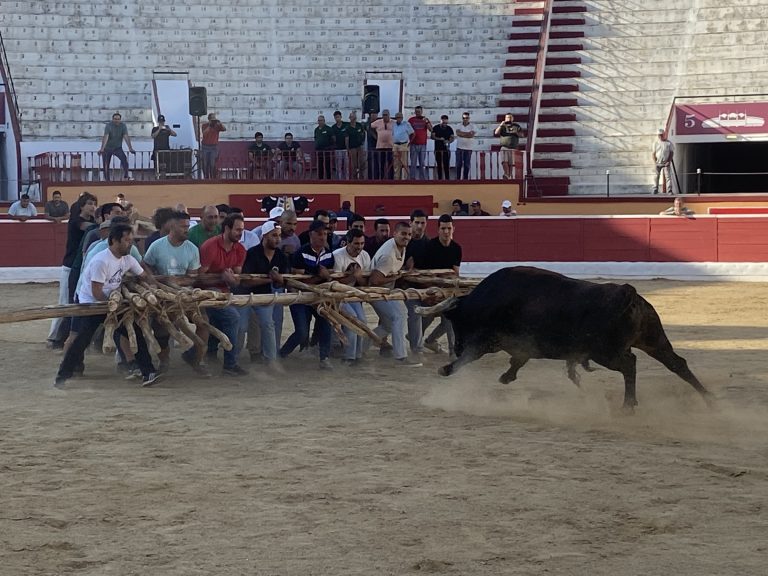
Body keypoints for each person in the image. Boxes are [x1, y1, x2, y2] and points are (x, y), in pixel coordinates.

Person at [54, 223, 161, 388]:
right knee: (82, 340)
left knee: (136, 332)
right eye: (126, 240)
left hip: (113, 302)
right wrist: (114, 307)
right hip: (93, 304)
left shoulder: (128, 259)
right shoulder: (101, 261)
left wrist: (154, 287)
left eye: (131, 240)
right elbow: (96, 291)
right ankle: (62, 375)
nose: (130, 243)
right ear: (114, 241)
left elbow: (144, 275)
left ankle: (149, 372)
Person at [143, 211, 210, 376]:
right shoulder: (157, 246)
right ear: (172, 227)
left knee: (203, 323)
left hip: (185, 294)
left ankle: (196, 359)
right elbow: (145, 267)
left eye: (188, 226)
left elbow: (192, 277)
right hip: (162, 296)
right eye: (183, 226)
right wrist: (156, 280)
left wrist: (179, 282)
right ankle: (164, 362)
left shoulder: (192, 249)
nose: (187, 229)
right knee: (161, 327)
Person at [280, 220, 335, 369]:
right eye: (319, 234)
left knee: (326, 323)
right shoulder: (300, 253)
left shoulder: (329, 254)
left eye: (324, 234)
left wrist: (325, 277)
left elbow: (329, 276)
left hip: (318, 297)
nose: (323, 237)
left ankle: (324, 358)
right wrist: (321, 275)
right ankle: (282, 354)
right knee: (302, 332)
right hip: (300, 296)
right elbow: (299, 280)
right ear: (311, 234)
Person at [199, 213, 249, 376]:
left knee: (223, 320)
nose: (240, 233)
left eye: (242, 230)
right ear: (227, 228)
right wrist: (222, 277)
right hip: (206, 292)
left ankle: (206, 354)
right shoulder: (210, 246)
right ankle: (230, 363)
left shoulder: (240, 249)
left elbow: (237, 279)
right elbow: (199, 278)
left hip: (224, 292)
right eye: (237, 230)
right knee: (232, 318)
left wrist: (231, 280)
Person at [235, 221, 288, 370]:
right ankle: (233, 359)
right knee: (241, 327)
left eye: (279, 236)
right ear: (264, 236)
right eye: (274, 235)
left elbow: (280, 283)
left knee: (268, 324)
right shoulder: (252, 253)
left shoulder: (281, 256)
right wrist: (271, 279)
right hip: (245, 295)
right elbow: (245, 282)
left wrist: (278, 281)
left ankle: (271, 360)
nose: (277, 239)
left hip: (264, 294)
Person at [48, 192, 97, 349]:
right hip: (70, 267)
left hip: (84, 268)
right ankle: (55, 339)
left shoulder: (93, 222)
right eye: (89, 203)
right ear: (82, 206)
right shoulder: (76, 220)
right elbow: (87, 228)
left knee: (80, 302)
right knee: (65, 303)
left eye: (94, 204)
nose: (93, 206)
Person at [369, 221, 422, 367]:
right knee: (400, 315)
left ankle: (360, 346)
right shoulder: (388, 255)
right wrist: (397, 276)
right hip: (376, 292)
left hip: (384, 291)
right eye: (403, 234)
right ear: (395, 234)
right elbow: (374, 280)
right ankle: (401, 357)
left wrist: (404, 269)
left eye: (409, 234)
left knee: (387, 324)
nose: (407, 237)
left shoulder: (399, 246)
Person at [422, 214, 462, 356]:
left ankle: (452, 351)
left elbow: (455, 273)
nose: (446, 231)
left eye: (449, 228)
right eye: (443, 228)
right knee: (427, 317)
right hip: (430, 289)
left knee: (449, 319)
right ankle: (418, 338)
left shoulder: (456, 248)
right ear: (438, 229)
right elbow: (426, 273)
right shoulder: (430, 246)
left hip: (447, 290)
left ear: (453, 229)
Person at [332, 228, 370, 365]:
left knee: (362, 322)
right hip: (338, 296)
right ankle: (349, 356)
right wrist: (353, 277)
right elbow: (334, 284)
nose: (359, 247)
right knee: (352, 320)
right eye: (356, 244)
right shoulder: (337, 256)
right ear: (347, 243)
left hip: (353, 295)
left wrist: (357, 278)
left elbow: (366, 283)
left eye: (362, 244)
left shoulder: (365, 256)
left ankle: (357, 354)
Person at [404, 209, 429, 354]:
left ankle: (415, 341)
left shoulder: (428, 243)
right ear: (411, 223)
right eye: (417, 222)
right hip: (402, 285)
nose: (419, 226)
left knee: (432, 311)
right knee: (415, 313)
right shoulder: (404, 241)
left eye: (423, 223)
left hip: (422, 286)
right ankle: (417, 348)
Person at [99, 112, 135, 181]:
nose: (116, 120)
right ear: (112, 119)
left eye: (118, 119)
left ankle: (126, 176)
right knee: (106, 165)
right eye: (115, 119)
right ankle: (107, 180)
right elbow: (106, 137)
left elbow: (126, 137)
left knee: (124, 160)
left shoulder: (123, 126)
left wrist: (130, 148)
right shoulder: (108, 126)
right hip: (107, 148)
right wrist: (102, 149)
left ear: (120, 120)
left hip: (117, 148)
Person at [494, 113, 522, 180]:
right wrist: (501, 125)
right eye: (507, 117)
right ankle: (506, 174)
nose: (508, 119)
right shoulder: (503, 126)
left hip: (513, 147)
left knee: (511, 163)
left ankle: (509, 175)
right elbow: (496, 133)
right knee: (504, 161)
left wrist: (516, 133)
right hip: (504, 147)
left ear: (512, 118)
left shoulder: (516, 126)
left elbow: (522, 135)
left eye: (509, 117)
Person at [408, 106, 432, 180]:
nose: (418, 113)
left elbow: (431, 129)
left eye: (419, 111)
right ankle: (412, 178)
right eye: (416, 111)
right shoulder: (411, 120)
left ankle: (423, 179)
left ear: (422, 112)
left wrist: (427, 122)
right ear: (415, 112)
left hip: (423, 144)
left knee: (422, 163)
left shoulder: (425, 119)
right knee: (413, 163)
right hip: (413, 144)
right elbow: (408, 131)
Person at [201, 112, 226, 179]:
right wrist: (209, 125)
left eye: (214, 119)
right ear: (209, 120)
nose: (213, 121)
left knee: (212, 163)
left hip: (214, 147)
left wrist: (219, 123)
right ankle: (206, 177)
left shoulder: (217, 125)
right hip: (205, 146)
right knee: (205, 164)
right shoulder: (204, 125)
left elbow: (224, 129)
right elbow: (204, 134)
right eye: (212, 120)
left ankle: (213, 178)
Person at [370, 110, 394, 179]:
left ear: (389, 115)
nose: (385, 116)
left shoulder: (393, 122)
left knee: (390, 164)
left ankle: (390, 179)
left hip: (390, 146)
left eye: (386, 115)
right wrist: (375, 136)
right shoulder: (378, 122)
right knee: (380, 164)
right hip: (380, 146)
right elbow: (369, 127)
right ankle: (380, 178)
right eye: (383, 115)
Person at [391, 112, 415, 180]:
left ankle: (405, 179)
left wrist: (409, 143)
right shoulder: (394, 125)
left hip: (403, 144)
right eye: (397, 117)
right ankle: (396, 178)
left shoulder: (406, 124)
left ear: (402, 118)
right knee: (396, 163)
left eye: (399, 117)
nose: (398, 119)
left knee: (404, 163)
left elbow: (413, 134)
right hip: (395, 145)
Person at [432, 115, 455, 180]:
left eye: (446, 123)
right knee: (439, 165)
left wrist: (449, 141)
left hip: (446, 149)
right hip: (437, 149)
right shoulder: (436, 127)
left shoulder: (449, 128)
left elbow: (452, 137)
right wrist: (440, 139)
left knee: (446, 165)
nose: (445, 124)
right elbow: (432, 136)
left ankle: (447, 179)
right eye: (443, 123)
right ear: (440, 121)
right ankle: (440, 179)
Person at [455, 112, 476, 180]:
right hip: (459, 147)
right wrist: (468, 134)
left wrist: (462, 134)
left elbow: (471, 135)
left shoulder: (473, 126)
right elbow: (458, 133)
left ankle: (465, 180)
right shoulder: (459, 125)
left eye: (466, 118)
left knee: (466, 165)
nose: (465, 119)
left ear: (469, 118)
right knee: (458, 165)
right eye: (464, 118)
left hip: (468, 148)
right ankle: (458, 179)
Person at [653, 128, 675, 194]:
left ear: (663, 135)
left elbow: (671, 153)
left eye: (661, 135)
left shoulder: (668, 143)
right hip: (658, 162)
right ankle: (655, 189)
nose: (660, 136)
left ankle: (669, 190)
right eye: (659, 135)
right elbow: (653, 153)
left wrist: (669, 161)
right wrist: (655, 162)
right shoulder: (655, 143)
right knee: (656, 176)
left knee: (668, 176)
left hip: (666, 163)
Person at [347, 112, 367, 180]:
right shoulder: (348, 127)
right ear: (350, 118)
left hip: (360, 146)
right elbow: (347, 139)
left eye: (354, 117)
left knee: (362, 163)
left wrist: (363, 142)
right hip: (352, 147)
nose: (353, 118)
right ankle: (354, 178)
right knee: (354, 164)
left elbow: (363, 133)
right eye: (352, 117)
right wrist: (348, 149)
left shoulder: (359, 125)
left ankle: (362, 178)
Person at [314, 115, 334, 180]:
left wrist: (330, 146)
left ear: (324, 121)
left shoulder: (328, 129)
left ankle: (328, 179)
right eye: (319, 120)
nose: (320, 122)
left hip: (327, 150)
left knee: (327, 165)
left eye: (321, 120)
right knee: (320, 165)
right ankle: (320, 179)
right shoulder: (316, 130)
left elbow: (333, 138)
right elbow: (315, 139)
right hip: (319, 150)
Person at [331, 110, 349, 180]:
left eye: (338, 117)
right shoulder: (333, 127)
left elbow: (348, 137)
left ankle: (347, 180)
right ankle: (339, 181)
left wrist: (348, 149)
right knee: (338, 167)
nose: (337, 118)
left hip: (345, 149)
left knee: (346, 167)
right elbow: (333, 138)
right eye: (336, 117)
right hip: (337, 149)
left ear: (341, 117)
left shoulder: (346, 125)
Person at [365, 111, 379, 180]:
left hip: (378, 146)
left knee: (378, 163)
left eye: (375, 114)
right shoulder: (368, 123)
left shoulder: (379, 123)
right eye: (372, 114)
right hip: (370, 146)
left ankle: (377, 177)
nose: (374, 116)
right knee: (370, 162)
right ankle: (370, 177)